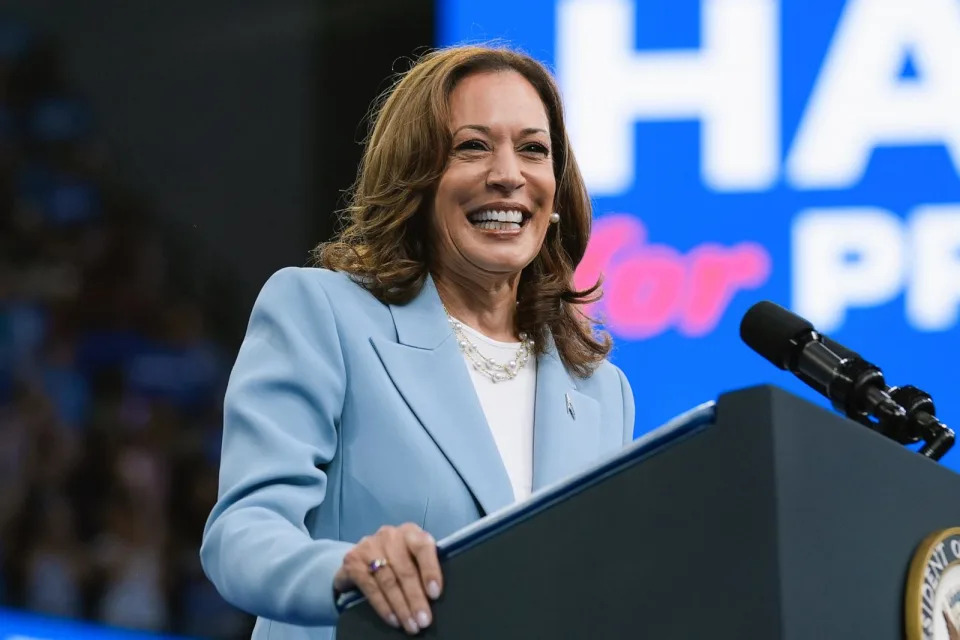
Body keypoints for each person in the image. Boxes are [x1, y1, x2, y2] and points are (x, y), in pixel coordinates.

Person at [200, 44, 635, 640]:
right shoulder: (323, 313)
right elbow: (242, 534)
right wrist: (345, 570)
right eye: (472, 146)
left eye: (534, 149)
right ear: (417, 177)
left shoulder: (601, 392)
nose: (508, 174)